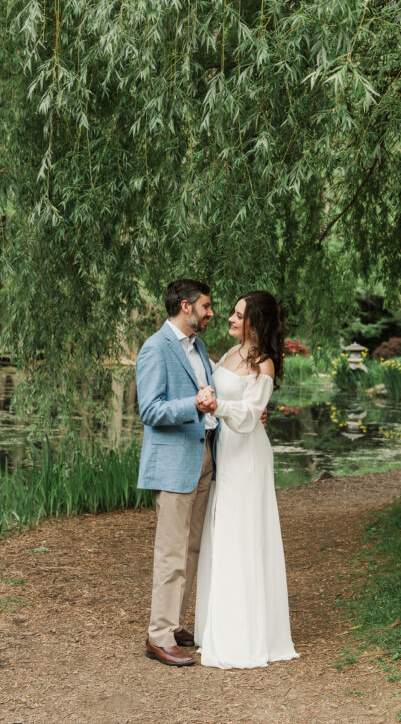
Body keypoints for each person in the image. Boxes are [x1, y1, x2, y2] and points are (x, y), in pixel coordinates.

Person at [194, 289, 299, 669]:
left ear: (256, 321)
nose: (231, 320)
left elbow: (251, 414)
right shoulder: (228, 354)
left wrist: (217, 406)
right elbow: (214, 381)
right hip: (226, 451)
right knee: (223, 531)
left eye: (239, 315)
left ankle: (247, 633)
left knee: (243, 534)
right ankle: (218, 625)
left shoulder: (264, 364)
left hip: (249, 454)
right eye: (232, 315)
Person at [136, 279, 219, 668]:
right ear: (186, 307)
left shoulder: (198, 347)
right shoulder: (155, 348)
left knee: (192, 549)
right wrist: (194, 406)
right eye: (206, 305)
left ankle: (173, 627)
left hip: (203, 457)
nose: (210, 312)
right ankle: (158, 637)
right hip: (173, 465)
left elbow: (211, 393)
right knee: (171, 554)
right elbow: (150, 410)